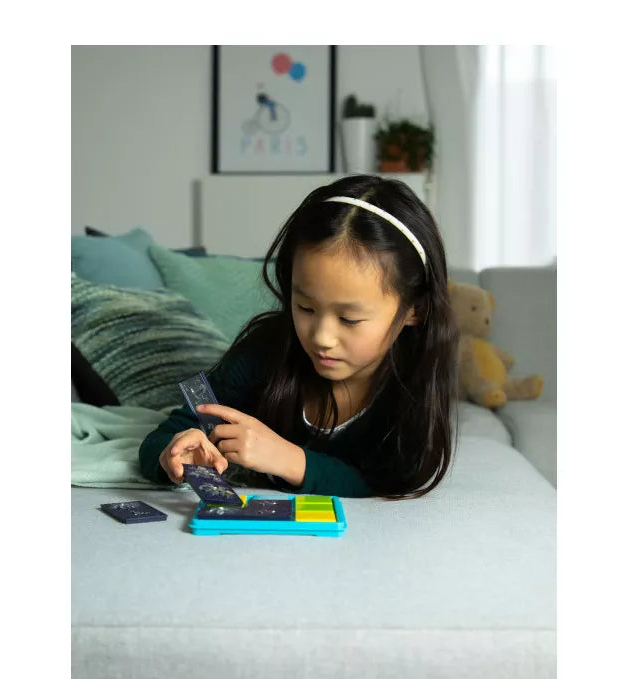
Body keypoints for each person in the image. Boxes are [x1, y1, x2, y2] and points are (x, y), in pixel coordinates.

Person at [139, 174, 459, 499]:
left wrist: (290, 459)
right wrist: (174, 453)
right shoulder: (267, 349)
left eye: (349, 319)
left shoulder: (414, 382)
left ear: (414, 310)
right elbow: (166, 434)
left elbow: (394, 481)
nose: (322, 337)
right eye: (305, 307)